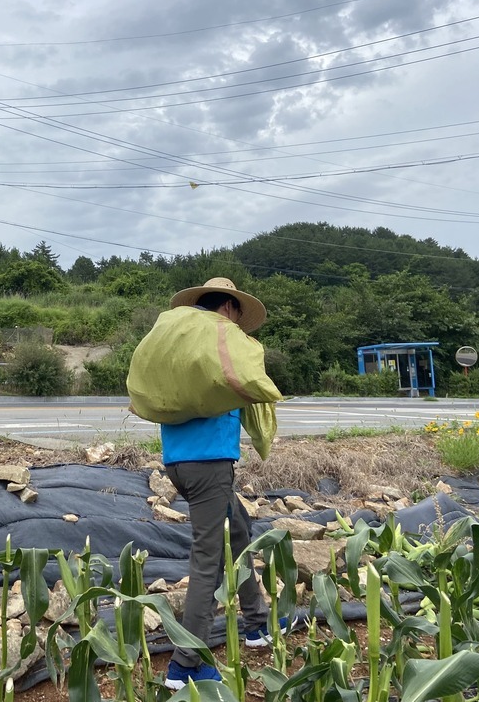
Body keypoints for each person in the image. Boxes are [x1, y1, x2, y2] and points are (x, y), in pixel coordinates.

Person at [157, 277, 287, 690]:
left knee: (240, 533)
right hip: (209, 463)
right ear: (229, 309)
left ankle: (256, 624)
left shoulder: (183, 346)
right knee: (208, 560)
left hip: (179, 460)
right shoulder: (219, 343)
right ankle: (186, 662)